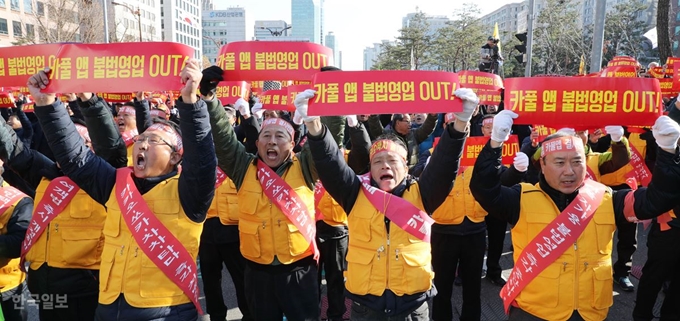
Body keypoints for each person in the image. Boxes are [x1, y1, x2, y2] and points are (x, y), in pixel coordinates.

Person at [27, 60, 216, 321]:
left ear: (174, 158)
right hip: (107, 308)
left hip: (163, 312)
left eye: (154, 141)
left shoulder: (190, 194)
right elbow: (76, 159)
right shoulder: (117, 185)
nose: (142, 145)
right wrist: (48, 105)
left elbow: (203, 159)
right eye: (140, 139)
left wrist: (191, 101)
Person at [469, 110, 680, 321]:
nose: (569, 171)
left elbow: (656, 200)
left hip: (591, 312)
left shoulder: (608, 199)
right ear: (542, 165)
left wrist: (668, 151)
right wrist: (496, 143)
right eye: (559, 162)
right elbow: (483, 189)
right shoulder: (521, 198)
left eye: (577, 162)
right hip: (534, 312)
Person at [305, 87, 477, 320]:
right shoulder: (354, 193)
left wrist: (460, 124)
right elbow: (329, 162)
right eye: (378, 161)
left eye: (392, 160)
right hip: (366, 307)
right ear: (370, 168)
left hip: (412, 307)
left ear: (406, 167)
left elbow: (444, 163)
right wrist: (314, 126)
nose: (385, 166)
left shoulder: (423, 193)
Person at [202, 67, 321, 321]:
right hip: (257, 273)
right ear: (257, 143)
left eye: (280, 136)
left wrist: (326, 101)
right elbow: (224, 140)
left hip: (299, 270)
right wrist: (210, 98)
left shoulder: (307, 167)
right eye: (266, 135)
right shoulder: (243, 167)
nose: (272, 141)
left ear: (292, 143)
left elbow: (326, 148)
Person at [4, 94, 125, 321]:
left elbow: (111, 146)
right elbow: (11, 147)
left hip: (87, 292)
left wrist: (89, 102)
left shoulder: (106, 180)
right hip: (46, 291)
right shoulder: (46, 174)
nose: (65, 151)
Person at [367, 113, 438, 173]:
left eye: (410, 121)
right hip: (394, 173)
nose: (410, 124)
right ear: (398, 122)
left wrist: (433, 116)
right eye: (407, 121)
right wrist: (372, 115)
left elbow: (427, 129)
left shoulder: (414, 134)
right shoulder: (387, 136)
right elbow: (375, 128)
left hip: (412, 174)